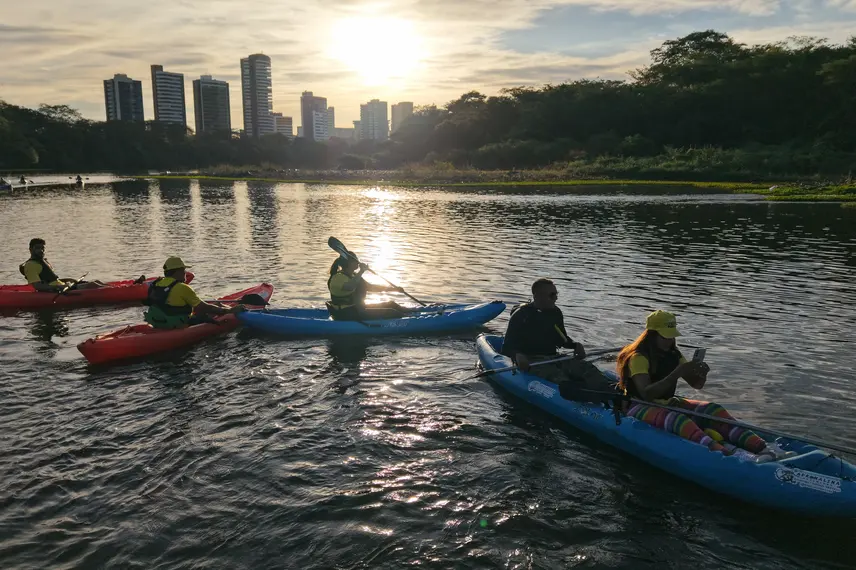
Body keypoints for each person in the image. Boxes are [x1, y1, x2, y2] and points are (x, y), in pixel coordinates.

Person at [617, 310, 786, 460]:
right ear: (651, 334)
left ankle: (762, 447)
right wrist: (676, 373)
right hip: (639, 405)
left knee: (713, 409)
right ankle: (727, 454)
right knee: (677, 419)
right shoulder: (638, 357)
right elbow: (646, 394)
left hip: (667, 403)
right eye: (665, 336)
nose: (670, 340)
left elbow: (696, 385)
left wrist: (701, 374)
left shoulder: (674, 355)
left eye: (672, 335)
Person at [501, 278, 616, 402]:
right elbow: (506, 347)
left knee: (588, 369)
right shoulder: (521, 315)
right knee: (561, 378)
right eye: (552, 295)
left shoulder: (555, 312)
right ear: (537, 296)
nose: (555, 298)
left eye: (556, 294)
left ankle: (614, 394)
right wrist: (517, 355)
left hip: (555, 357)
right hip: (533, 361)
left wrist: (575, 345)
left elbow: (562, 339)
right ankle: (588, 401)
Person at [143, 256, 245, 329]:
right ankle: (232, 311)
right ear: (177, 271)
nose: (185, 273)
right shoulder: (182, 287)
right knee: (214, 307)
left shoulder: (156, 283)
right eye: (183, 270)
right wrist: (227, 311)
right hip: (176, 324)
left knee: (215, 305)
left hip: (156, 322)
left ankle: (224, 307)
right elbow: (203, 307)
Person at [326, 252, 413, 321]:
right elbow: (350, 287)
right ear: (348, 263)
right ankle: (412, 320)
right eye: (355, 259)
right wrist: (361, 271)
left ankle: (414, 312)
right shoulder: (338, 277)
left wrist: (394, 289)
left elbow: (371, 287)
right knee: (391, 312)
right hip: (346, 313)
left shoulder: (353, 275)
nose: (358, 261)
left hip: (357, 308)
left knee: (391, 304)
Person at [20, 238, 107, 292]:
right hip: (56, 291)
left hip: (62, 286)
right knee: (93, 285)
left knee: (97, 282)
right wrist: (59, 287)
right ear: (30, 250)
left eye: (42, 248)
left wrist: (69, 280)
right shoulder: (31, 265)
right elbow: (37, 286)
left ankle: (113, 288)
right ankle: (113, 292)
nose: (41, 250)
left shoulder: (43, 261)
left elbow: (51, 279)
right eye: (37, 248)